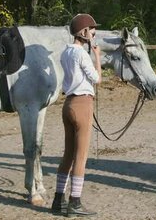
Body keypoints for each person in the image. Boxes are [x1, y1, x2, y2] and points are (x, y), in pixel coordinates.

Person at [51, 13, 101, 217]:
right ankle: (75, 202)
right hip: (82, 104)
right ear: (84, 32)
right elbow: (96, 79)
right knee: (80, 157)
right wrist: (97, 56)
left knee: (68, 155)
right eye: (92, 30)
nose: (94, 33)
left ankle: (58, 200)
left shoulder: (65, 53)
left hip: (68, 104)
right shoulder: (82, 54)